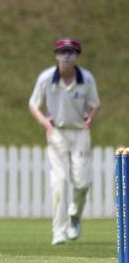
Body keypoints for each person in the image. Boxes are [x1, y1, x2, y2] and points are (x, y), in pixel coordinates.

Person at [29, 37, 100, 246]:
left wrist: (90, 118)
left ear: (77, 55)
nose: (67, 55)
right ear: (56, 56)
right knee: (59, 182)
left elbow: (95, 104)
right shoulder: (45, 78)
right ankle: (58, 232)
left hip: (80, 134)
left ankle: (74, 216)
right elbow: (33, 104)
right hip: (57, 133)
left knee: (83, 183)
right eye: (63, 52)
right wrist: (45, 123)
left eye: (71, 52)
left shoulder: (86, 78)